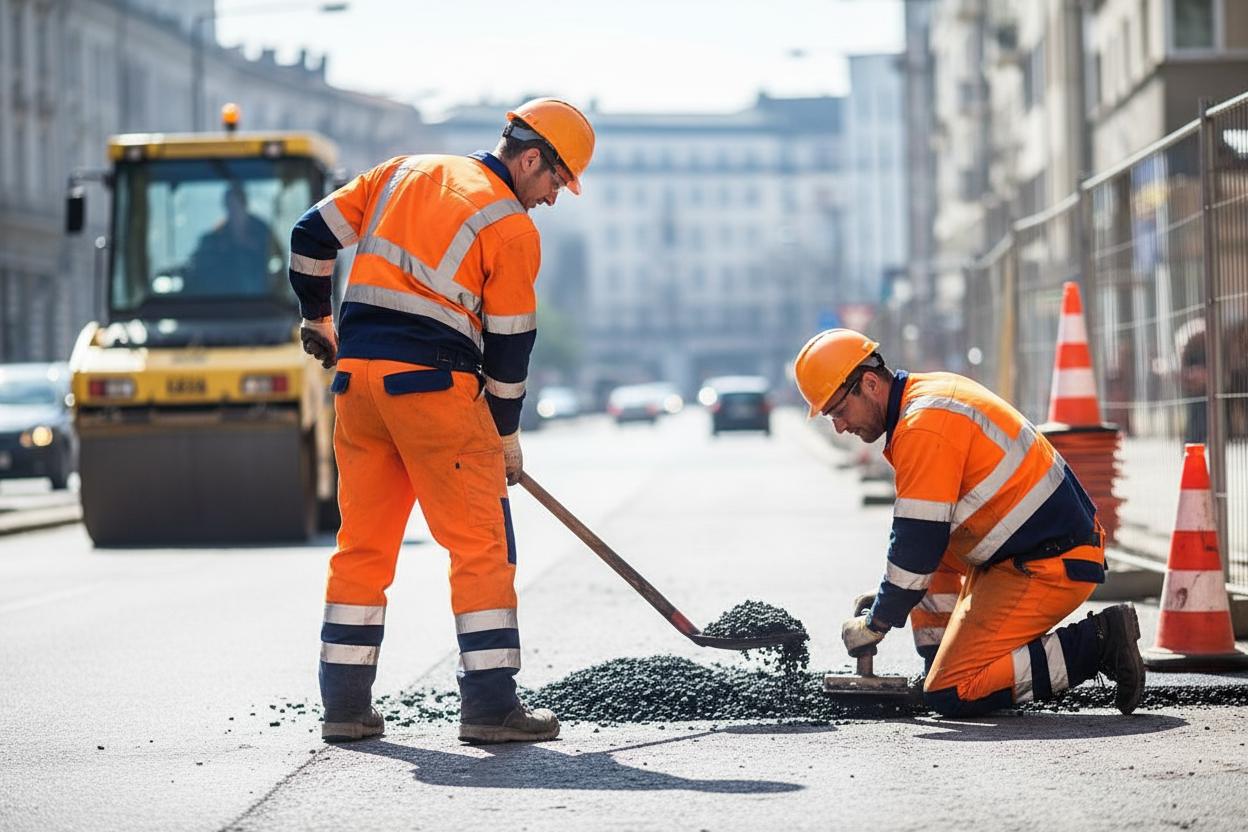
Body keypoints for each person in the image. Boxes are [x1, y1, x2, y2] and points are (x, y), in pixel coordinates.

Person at [288, 98, 595, 743]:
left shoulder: (402, 171)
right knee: (481, 547)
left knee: (363, 548)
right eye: (555, 182)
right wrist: (505, 435)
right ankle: (489, 707)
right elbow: (510, 349)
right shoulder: (510, 228)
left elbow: (310, 238)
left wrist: (318, 320)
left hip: (358, 389)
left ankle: (344, 707)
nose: (554, 198)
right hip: (432, 391)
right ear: (531, 157)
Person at [794, 328, 1145, 716]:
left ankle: (1099, 641)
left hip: (1050, 564)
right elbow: (922, 548)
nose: (839, 426)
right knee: (929, 568)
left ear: (870, 384)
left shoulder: (922, 426)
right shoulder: (924, 398)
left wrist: (877, 622)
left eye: (839, 411)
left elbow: (915, 547)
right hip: (1027, 550)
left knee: (954, 692)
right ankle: (938, 664)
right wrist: (889, 598)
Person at [189, 183, 280, 295]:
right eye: (230, 206)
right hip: (224, 301)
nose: (234, 211)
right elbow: (202, 269)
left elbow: (278, 262)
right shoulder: (214, 238)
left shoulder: (263, 233)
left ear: (244, 205)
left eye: (237, 205)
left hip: (263, 301)